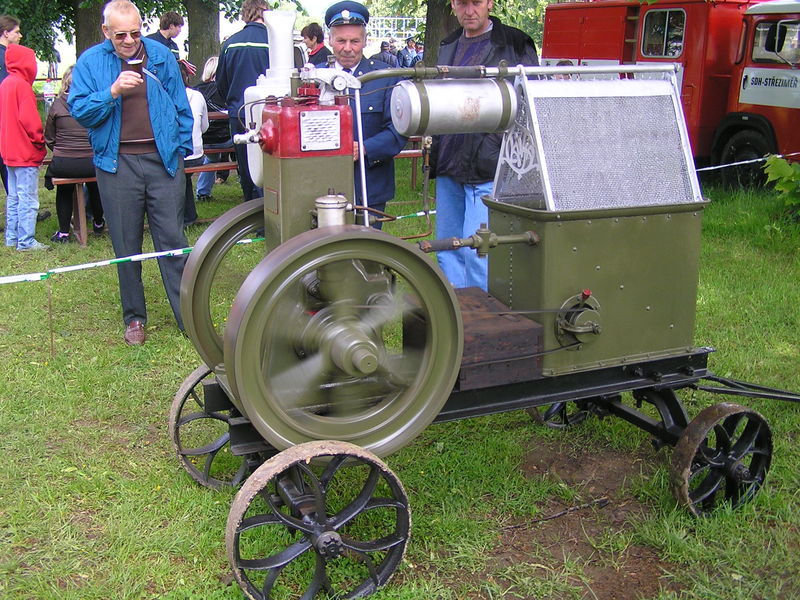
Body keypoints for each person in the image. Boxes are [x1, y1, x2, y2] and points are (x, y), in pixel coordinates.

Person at [69, 0, 194, 345]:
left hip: (163, 161)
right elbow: (81, 111)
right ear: (106, 31)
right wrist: (112, 92)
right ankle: (135, 318)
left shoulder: (161, 55)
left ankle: (187, 315)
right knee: (126, 244)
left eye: (135, 33)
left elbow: (181, 107)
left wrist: (179, 152)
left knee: (173, 242)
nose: (128, 40)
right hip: (117, 164)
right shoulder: (91, 62)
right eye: (120, 34)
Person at [433, 0, 538, 290]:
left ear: (490, 3)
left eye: (476, 2)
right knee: (447, 247)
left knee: (479, 250)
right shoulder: (448, 45)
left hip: (490, 165)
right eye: (462, 3)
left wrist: (495, 143)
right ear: (453, 5)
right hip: (449, 161)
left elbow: (530, 102)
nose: (469, 11)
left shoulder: (515, 43)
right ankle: (457, 309)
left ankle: (483, 311)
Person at [324, 1, 406, 227]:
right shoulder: (314, 78)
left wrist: (364, 148)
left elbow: (398, 131)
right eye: (341, 40)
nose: (347, 48)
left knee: (367, 247)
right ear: (330, 39)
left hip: (369, 185)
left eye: (354, 41)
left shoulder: (384, 77)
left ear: (365, 40)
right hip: (322, 183)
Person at [216, 0, 271, 202]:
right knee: (273, 165)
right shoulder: (275, 42)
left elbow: (221, 82)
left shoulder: (230, 44)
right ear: (266, 12)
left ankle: (251, 208)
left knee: (247, 167)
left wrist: (232, 103)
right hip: (271, 113)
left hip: (238, 112)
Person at [44, 65, 105, 243]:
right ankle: (99, 222)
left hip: (64, 162)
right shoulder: (94, 102)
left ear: (66, 83)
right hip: (91, 161)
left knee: (64, 190)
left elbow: (49, 137)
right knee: (95, 186)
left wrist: (62, 151)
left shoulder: (57, 104)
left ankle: (63, 233)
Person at [0, 44, 48, 251]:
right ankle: (26, 241)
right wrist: (39, 141)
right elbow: (30, 121)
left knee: (13, 197)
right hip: (24, 152)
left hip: (8, 150)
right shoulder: (22, 86)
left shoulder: (5, 84)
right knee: (28, 198)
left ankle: (11, 237)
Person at [194, 56, 232, 202]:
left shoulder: (195, 90)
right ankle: (248, 186)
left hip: (203, 140)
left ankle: (203, 192)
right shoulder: (225, 90)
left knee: (211, 158)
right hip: (225, 140)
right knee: (243, 147)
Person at [181, 60, 208, 227]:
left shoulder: (162, 97)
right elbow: (204, 127)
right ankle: (189, 216)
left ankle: (185, 217)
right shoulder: (197, 96)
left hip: (179, 155)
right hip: (196, 153)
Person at [0, 15, 22, 197]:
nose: (20, 36)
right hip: (5, 120)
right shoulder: (6, 59)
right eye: (17, 32)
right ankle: (17, 206)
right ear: (6, 33)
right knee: (9, 169)